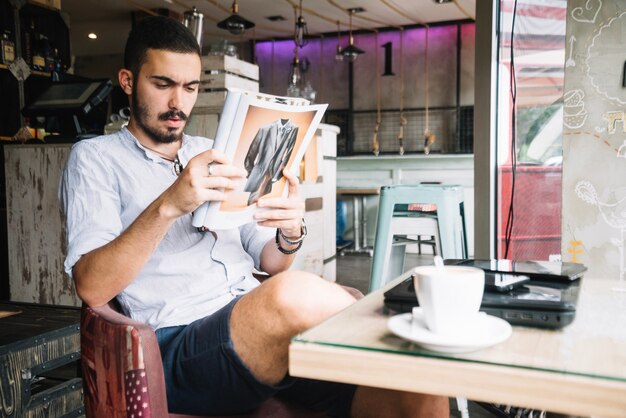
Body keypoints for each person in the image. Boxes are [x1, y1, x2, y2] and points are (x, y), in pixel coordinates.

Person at [59, 16, 448, 417]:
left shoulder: (210, 149)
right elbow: (91, 286)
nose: (179, 103)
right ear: (127, 80)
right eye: (163, 85)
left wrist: (289, 231)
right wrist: (170, 204)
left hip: (256, 331)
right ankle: (410, 328)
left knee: (417, 387)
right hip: (178, 344)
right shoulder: (95, 159)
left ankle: (405, 347)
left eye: (190, 88)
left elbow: (271, 261)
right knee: (291, 297)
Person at [244, 118, 298, 205]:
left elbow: (289, 152)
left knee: (266, 198)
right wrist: (250, 170)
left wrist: (278, 174)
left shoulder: (293, 128)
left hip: (274, 170)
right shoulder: (265, 129)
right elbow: (252, 151)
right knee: (255, 198)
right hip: (261, 168)